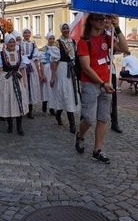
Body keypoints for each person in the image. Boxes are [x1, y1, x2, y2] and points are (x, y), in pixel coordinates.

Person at [75, 13, 115, 164]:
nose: (102, 22)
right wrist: (102, 83)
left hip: (106, 83)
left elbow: (124, 48)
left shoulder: (107, 38)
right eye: (98, 19)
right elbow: (86, 67)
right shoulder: (84, 41)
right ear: (91, 21)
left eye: (103, 19)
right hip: (91, 84)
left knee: (103, 119)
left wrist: (116, 28)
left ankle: (97, 150)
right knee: (89, 119)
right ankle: (80, 135)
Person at [0, 33, 29, 135]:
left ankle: (19, 126)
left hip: (17, 79)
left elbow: (22, 68)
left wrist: (24, 81)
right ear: (6, 42)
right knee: (8, 102)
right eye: (10, 42)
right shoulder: (2, 54)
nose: (12, 43)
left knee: (19, 102)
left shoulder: (19, 54)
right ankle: (10, 125)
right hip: (6, 80)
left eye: (13, 41)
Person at [51, 23, 79, 133]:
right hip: (62, 70)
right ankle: (71, 123)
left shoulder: (72, 42)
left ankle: (61, 116)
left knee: (70, 94)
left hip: (71, 70)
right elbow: (54, 61)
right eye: (64, 28)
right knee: (65, 94)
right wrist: (53, 76)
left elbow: (75, 57)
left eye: (67, 28)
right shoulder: (57, 43)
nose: (66, 30)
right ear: (61, 30)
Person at [104, 15, 129, 133]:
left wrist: (117, 27)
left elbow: (124, 49)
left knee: (113, 98)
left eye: (110, 18)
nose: (107, 20)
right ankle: (87, 120)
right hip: (98, 70)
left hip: (110, 69)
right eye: (105, 18)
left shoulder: (113, 33)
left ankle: (114, 122)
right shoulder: (98, 34)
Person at [20, 28, 44, 118]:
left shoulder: (33, 44)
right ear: (23, 34)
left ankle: (30, 111)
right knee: (24, 86)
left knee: (31, 88)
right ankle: (23, 108)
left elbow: (37, 60)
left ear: (30, 34)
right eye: (25, 33)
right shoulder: (20, 44)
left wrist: (39, 74)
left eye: (28, 33)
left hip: (32, 66)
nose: (27, 34)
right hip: (23, 66)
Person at [40, 32, 59, 117]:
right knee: (47, 87)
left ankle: (52, 108)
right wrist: (43, 74)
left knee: (53, 88)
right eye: (50, 38)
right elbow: (42, 62)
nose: (51, 40)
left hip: (54, 69)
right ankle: (45, 102)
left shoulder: (56, 48)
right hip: (47, 68)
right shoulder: (44, 49)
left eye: (53, 38)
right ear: (47, 39)